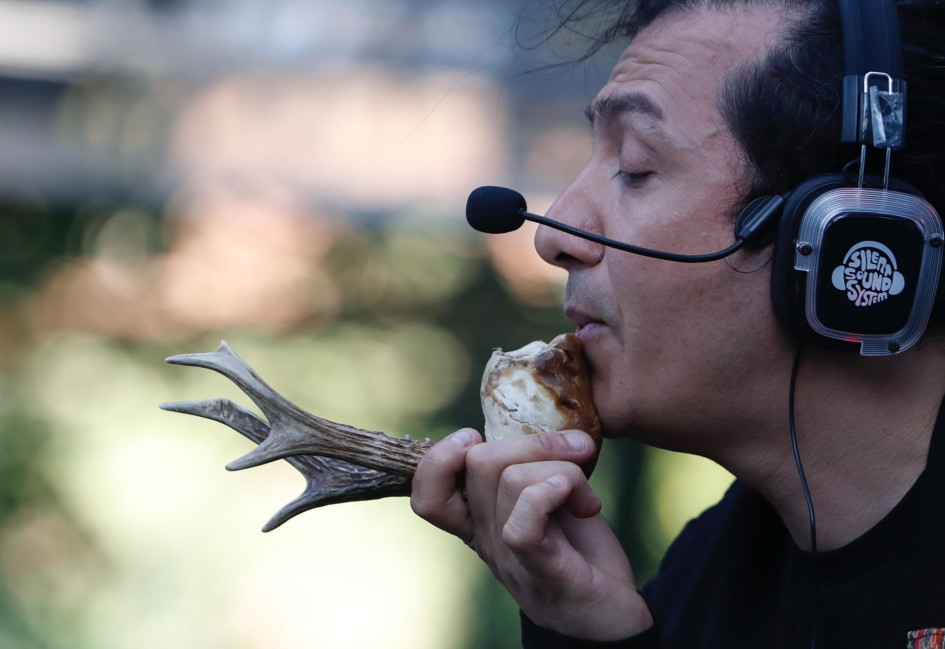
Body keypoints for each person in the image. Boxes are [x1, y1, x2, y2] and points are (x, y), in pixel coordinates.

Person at [411, 0, 945, 646]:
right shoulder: (708, 574)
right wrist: (589, 634)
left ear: (843, 231)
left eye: (634, 168)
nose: (554, 236)